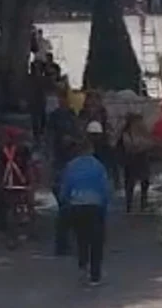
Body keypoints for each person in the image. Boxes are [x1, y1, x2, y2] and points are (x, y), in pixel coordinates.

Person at [59, 139, 111, 286]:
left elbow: (65, 187)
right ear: (91, 150)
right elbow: (105, 188)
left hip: (77, 206)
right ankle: (95, 275)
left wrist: (65, 201)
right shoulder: (98, 166)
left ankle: (83, 267)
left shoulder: (71, 166)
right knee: (96, 241)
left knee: (81, 238)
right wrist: (105, 207)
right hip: (95, 206)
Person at [47, 91, 79, 256]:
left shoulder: (73, 116)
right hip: (60, 161)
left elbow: (79, 136)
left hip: (70, 161)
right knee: (65, 203)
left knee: (69, 204)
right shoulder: (54, 118)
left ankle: (67, 239)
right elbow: (49, 138)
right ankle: (63, 243)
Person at [0, 126, 34, 239]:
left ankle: (13, 232)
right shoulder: (21, 150)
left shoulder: (2, 150)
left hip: (11, 182)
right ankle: (19, 231)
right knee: (17, 206)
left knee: (12, 207)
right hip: (15, 182)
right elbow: (29, 166)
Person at [119, 113, 154, 213]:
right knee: (130, 184)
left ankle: (143, 203)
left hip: (141, 159)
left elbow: (150, 143)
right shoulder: (127, 133)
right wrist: (142, 146)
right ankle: (129, 206)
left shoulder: (143, 132)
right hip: (132, 161)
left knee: (144, 182)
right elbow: (129, 146)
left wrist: (141, 146)